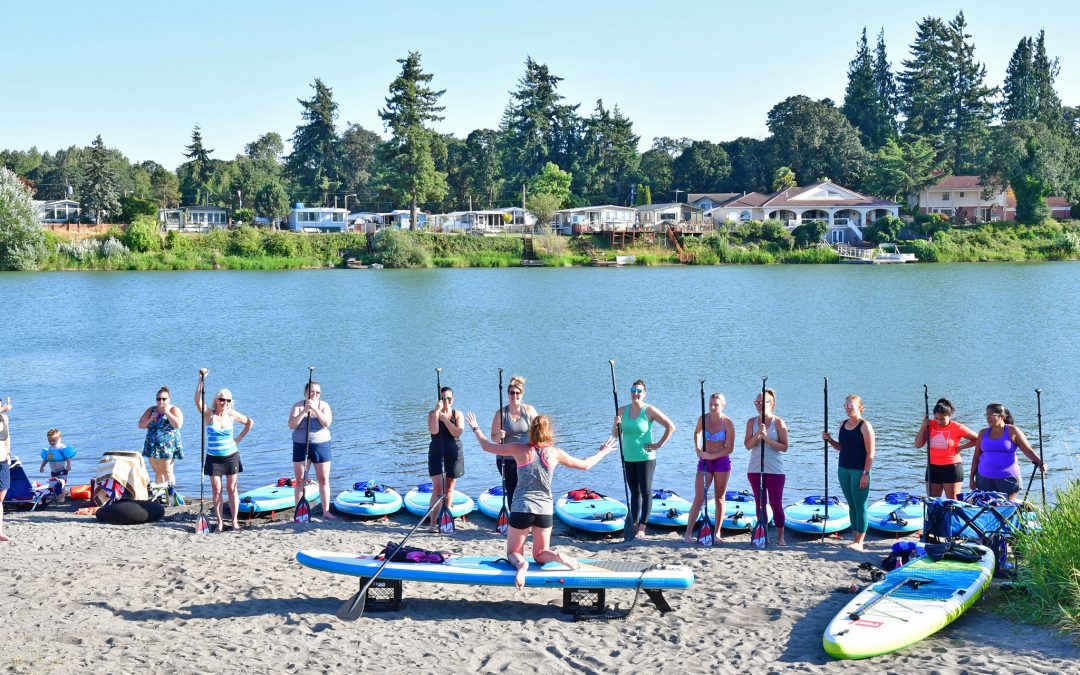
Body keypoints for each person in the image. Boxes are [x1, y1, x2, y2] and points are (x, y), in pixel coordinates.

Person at [465, 410, 616, 589]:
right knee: (540, 553)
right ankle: (558, 557)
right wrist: (603, 452)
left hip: (522, 507)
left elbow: (486, 446)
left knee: (513, 552)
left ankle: (522, 566)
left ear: (531, 430)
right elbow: (585, 465)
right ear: (548, 432)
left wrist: (475, 428)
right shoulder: (554, 453)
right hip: (544, 510)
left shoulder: (518, 449)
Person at [614, 379, 675, 539]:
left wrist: (659, 444)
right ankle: (633, 523)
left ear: (644, 394)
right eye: (633, 390)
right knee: (635, 492)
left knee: (646, 491)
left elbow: (670, 426)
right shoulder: (621, 411)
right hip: (628, 457)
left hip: (646, 457)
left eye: (639, 391)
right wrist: (616, 424)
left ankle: (642, 527)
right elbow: (616, 434)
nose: (636, 393)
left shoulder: (649, 410)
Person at [195, 369, 253, 533]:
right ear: (216, 400)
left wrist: (238, 439)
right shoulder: (209, 415)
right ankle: (220, 523)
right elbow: (197, 400)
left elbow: (250, 422)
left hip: (231, 456)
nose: (225, 402)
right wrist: (201, 380)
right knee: (217, 490)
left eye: (228, 400)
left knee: (232, 489)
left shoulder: (232, 414)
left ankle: (234, 522)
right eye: (222, 399)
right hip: (213, 458)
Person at [822, 394, 875, 551]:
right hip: (843, 469)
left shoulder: (865, 425)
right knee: (851, 505)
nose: (847, 407)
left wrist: (866, 473)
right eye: (846, 405)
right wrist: (830, 440)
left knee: (860, 505)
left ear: (860, 408)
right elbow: (842, 448)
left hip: (859, 470)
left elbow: (870, 453)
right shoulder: (843, 424)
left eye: (851, 405)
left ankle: (860, 541)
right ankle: (854, 538)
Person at [684, 393, 735, 543]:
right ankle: (687, 534)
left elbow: (730, 448)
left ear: (722, 406)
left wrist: (711, 456)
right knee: (699, 497)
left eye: (716, 404)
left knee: (719, 498)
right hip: (704, 462)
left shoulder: (727, 423)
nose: (712, 407)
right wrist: (697, 449)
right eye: (711, 404)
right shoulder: (703, 419)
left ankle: (717, 533)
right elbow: (697, 432)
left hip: (721, 462)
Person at [970, 403, 1046, 501]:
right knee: (986, 509)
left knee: (1007, 508)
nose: (988, 417)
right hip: (984, 478)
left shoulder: (1012, 431)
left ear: (1001, 416)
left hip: (1008, 479)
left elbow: (1028, 450)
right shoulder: (983, 433)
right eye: (987, 414)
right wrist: (972, 478)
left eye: (992, 415)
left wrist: (1040, 462)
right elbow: (976, 456)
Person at [744, 388, 790, 546]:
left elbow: (784, 447)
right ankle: (763, 533)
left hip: (774, 468)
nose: (759, 405)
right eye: (757, 402)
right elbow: (747, 445)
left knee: (776, 503)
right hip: (755, 467)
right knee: (760, 502)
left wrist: (767, 439)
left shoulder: (778, 422)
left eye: (763, 402)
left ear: (772, 403)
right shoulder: (751, 422)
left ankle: (780, 537)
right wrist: (757, 435)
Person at [915, 398, 978, 499]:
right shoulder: (929, 425)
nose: (939, 421)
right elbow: (918, 445)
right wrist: (923, 427)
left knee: (952, 504)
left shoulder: (957, 427)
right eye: (936, 418)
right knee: (933, 503)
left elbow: (978, 439)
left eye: (942, 419)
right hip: (933, 468)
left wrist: (962, 447)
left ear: (949, 416)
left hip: (951, 468)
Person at [489, 375, 537, 508]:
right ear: (508, 394)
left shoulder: (529, 410)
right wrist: (499, 435)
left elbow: (540, 431)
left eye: (517, 393)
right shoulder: (501, 413)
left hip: (526, 458)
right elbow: (493, 438)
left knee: (527, 489)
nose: (514, 395)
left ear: (522, 395)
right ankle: (514, 521)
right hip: (507, 459)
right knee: (513, 490)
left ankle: (527, 517)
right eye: (512, 393)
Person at [288, 379, 333, 520]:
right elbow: (291, 424)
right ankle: (299, 511)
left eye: (317, 392)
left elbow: (327, 423)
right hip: (301, 445)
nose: (315, 394)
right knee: (300, 479)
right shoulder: (298, 406)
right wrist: (305, 411)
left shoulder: (324, 406)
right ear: (305, 393)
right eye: (312, 392)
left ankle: (326, 511)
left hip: (321, 445)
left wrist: (315, 409)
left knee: (323, 478)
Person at [425, 385, 464, 529]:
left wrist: (445, 419)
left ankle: (445, 519)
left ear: (452, 399)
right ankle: (433, 523)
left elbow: (457, 432)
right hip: (436, 453)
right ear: (439, 400)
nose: (446, 401)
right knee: (438, 489)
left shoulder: (457, 414)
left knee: (449, 489)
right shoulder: (432, 413)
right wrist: (437, 413)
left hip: (454, 453)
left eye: (448, 398)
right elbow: (434, 431)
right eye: (443, 398)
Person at [139, 386, 184, 487]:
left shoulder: (174, 409)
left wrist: (167, 412)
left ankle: (171, 494)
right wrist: (151, 418)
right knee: (158, 472)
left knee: (167, 471)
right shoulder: (151, 410)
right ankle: (160, 495)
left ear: (169, 399)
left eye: (164, 399)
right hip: (152, 446)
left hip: (167, 446)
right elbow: (140, 425)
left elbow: (178, 425)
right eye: (158, 399)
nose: (161, 401)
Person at [39, 428, 76, 501]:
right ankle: (57, 495)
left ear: (59, 439)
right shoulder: (50, 448)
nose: (51, 442)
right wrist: (42, 466)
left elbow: (67, 457)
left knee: (61, 483)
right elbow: (46, 459)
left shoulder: (61, 447)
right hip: (54, 471)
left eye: (53, 440)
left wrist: (69, 465)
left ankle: (62, 497)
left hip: (62, 469)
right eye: (49, 440)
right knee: (55, 483)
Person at [0, 398, 11, 542]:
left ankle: (0, 532)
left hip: (3, 461)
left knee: (0, 499)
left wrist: (8, 453)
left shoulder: (5, 418)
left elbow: (8, 437)